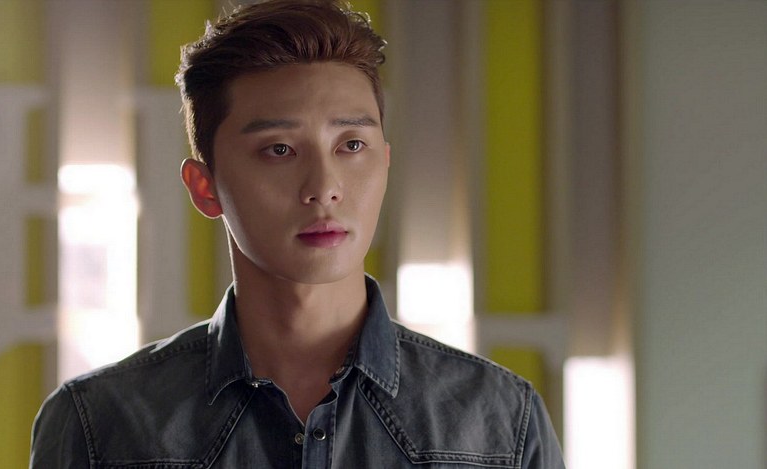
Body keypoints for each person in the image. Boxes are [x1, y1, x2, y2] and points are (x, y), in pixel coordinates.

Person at [30, 1, 565, 467]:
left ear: (384, 162)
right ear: (205, 187)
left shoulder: (501, 420)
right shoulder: (99, 423)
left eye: (351, 145)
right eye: (279, 150)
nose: (324, 188)